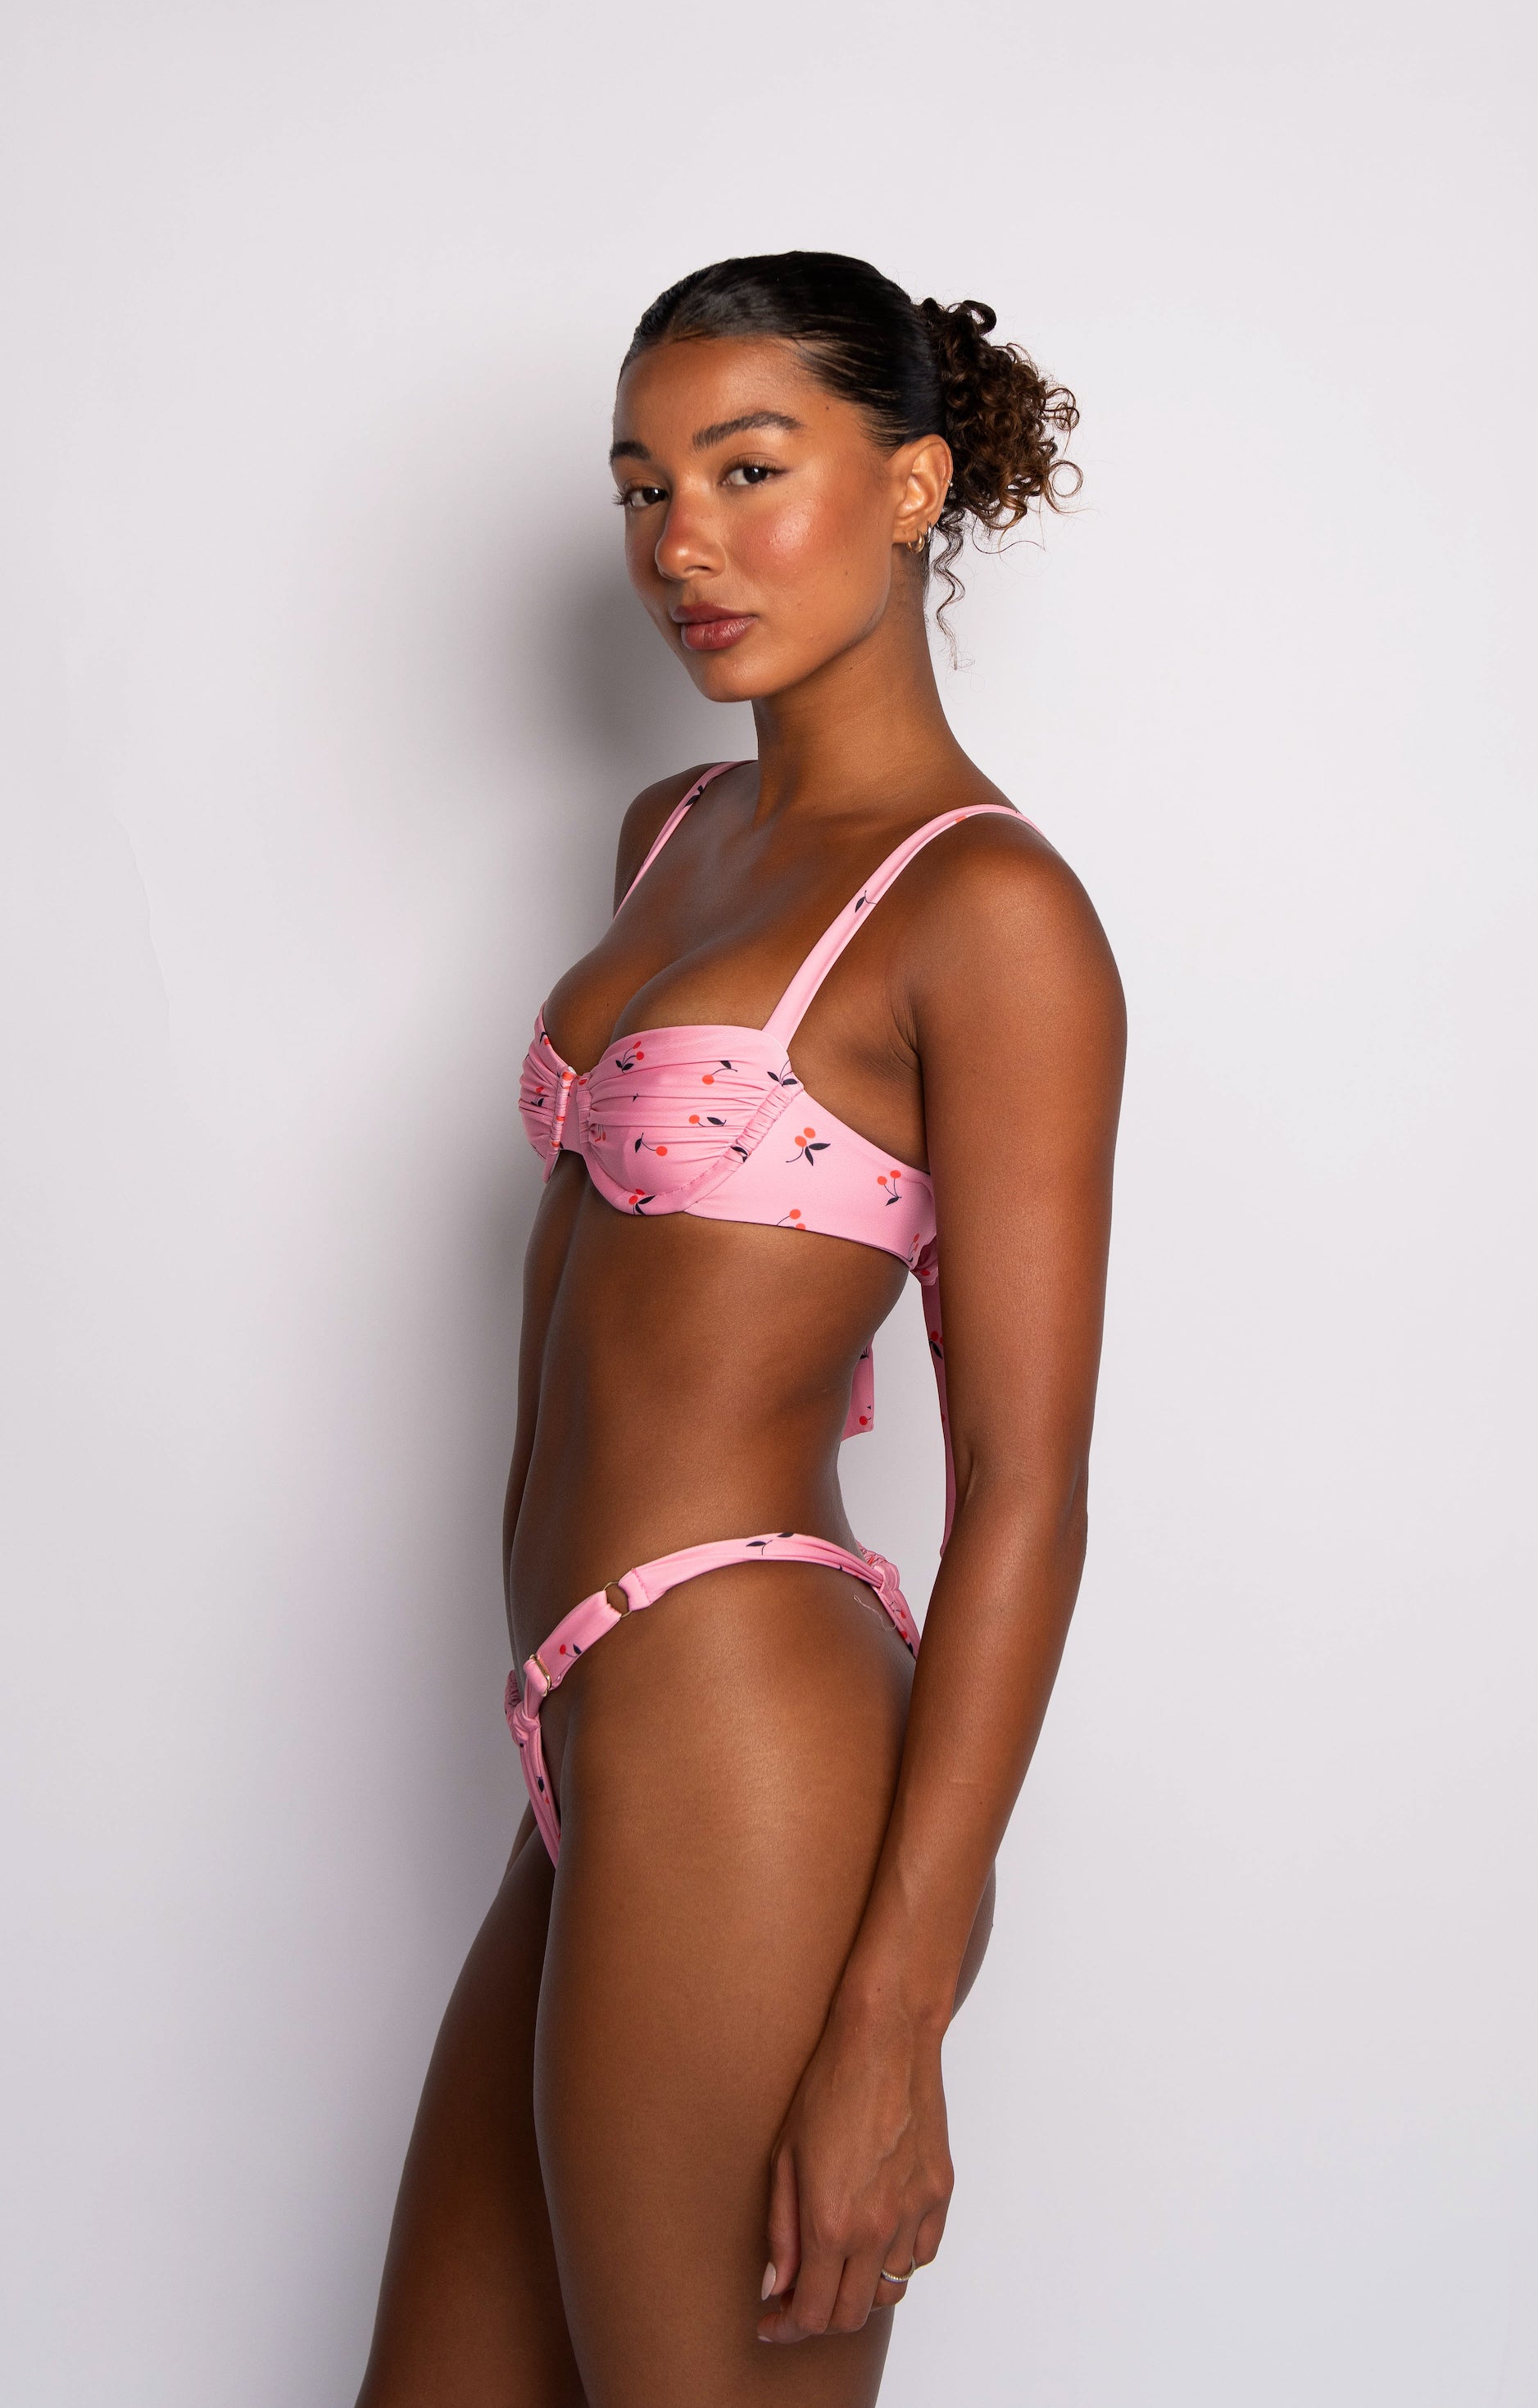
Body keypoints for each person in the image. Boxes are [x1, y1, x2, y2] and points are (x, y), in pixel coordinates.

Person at [357, 250, 1125, 2408]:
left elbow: (1030, 1491)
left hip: (748, 1739)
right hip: (585, 1744)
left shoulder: (989, 911)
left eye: (748, 469)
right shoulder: (672, 834)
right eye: (644, 487)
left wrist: (895, 2019)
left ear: (912, 487)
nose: (681, 542)